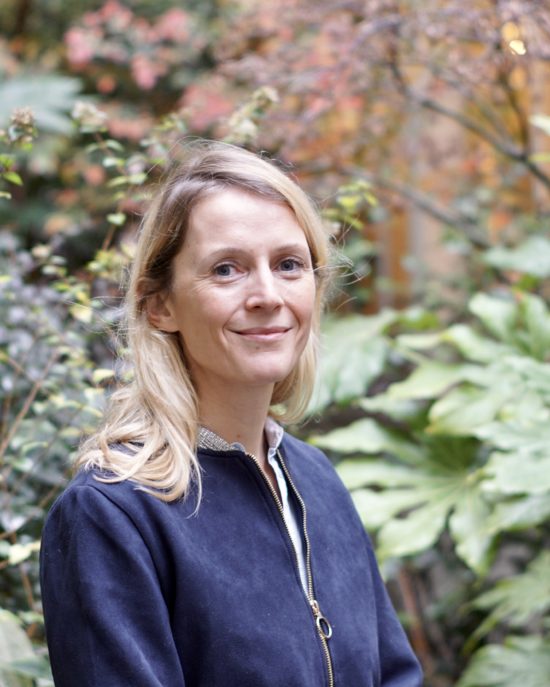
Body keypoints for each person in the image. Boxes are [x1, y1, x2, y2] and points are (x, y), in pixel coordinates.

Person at [40, 142, 423, 687]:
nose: (267, 294)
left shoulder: (316, 480)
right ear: (160, 305)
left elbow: (395, 675)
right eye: (227, 269)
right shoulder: (113, 514)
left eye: (288, 265)